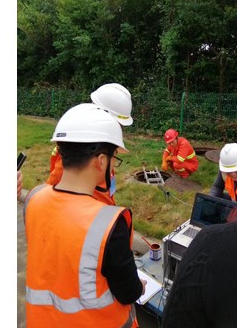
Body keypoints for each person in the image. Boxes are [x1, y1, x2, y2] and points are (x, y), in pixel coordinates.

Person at [24, 104, 146, 327]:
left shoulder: (34, 198)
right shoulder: (109, 224)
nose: (113, 169)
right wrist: (141, 287)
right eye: (113, 160)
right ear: (101, 161)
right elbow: (129, 292)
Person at [162, 97, 237, 327]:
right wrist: (212, 204)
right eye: (229, 173)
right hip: (234, 210)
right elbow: (217, 187)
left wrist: (233, 212)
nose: (233, 176)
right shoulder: (226, 171)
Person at [46, 83, 133, 205]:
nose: (119, 129)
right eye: (118, 123)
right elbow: (52, 194)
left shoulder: (101, 147)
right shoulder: (79, 154)